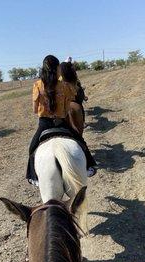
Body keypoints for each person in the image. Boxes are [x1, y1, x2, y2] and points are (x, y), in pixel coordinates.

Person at [26, 55, 96, 186]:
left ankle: (33, 177)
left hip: (44, 124)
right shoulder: (64, 86)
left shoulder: (37, 85)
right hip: (61, 122)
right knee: (80, 141)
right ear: (57, 68)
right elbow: (69, 103)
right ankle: (89, 166)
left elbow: (35, 110)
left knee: (32, 148)